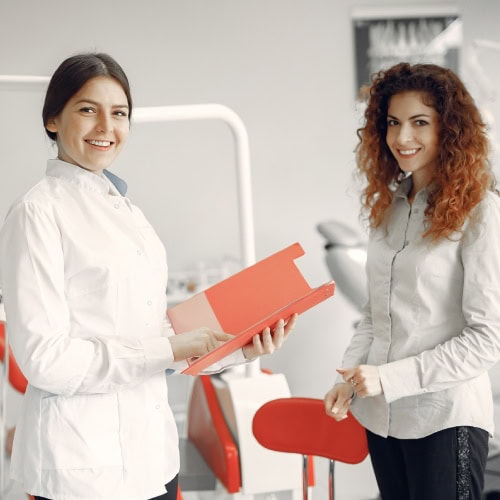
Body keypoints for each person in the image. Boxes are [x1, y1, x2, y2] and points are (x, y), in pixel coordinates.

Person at [0, 52, 297, 500]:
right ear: (52, 120)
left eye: (119, 113)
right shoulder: (37, 212)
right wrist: (167, 347)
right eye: (87, 109)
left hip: (152, 460)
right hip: (83, 472)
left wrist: (235, 347)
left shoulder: (128, 212)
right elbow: (45, 358)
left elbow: (152, 333)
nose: (106, 127)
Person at [324, 62, 500, 500]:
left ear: (450, 129)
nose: (403, 138)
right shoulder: (391, 209)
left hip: (445, 417)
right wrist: (349, 378)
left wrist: (390, 377)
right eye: (393, 123)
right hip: (385, 420)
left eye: (420, 123)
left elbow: (487, 337)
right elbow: (373, 313)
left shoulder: (480, 211)